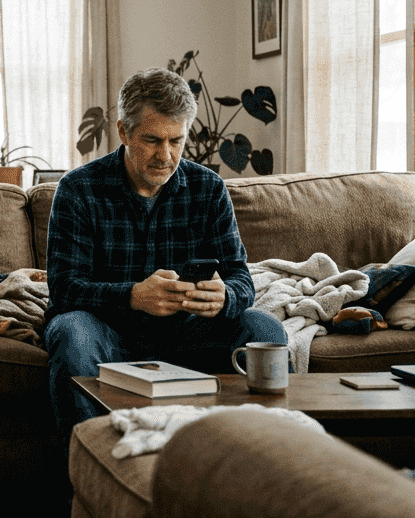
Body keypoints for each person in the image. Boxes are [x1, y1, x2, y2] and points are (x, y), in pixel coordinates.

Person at [44, 67, 286, 441]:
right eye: (152, 140)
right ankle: (94, 476)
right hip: (109, 337)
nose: (166, 155)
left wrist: (225, 297)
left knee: (264, 329)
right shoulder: (78, 190)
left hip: (189, 337)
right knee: (71, 331)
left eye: (177, 140)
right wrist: (133, 296)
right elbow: (63, 289)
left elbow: (241, 277)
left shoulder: (209, 189)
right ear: (123, 131)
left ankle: (246, 464)